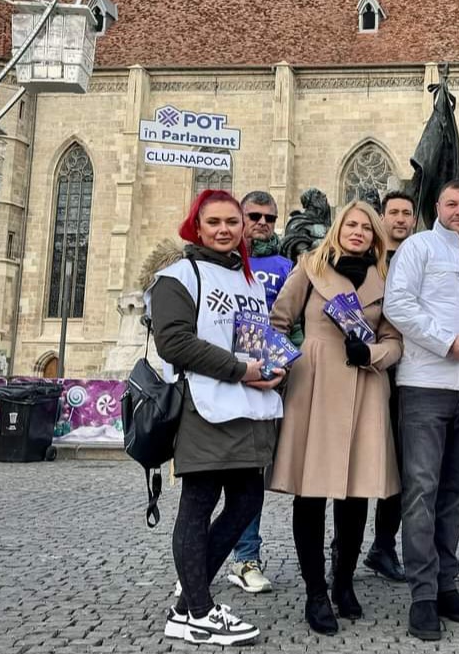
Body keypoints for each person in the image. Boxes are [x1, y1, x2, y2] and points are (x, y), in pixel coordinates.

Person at [146, 189, 284, 646]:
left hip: (248, 405)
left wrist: (272, 367)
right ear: (197, 227)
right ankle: (199, 611)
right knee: (199, 502)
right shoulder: (177, 276)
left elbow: (252, 337)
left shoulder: (247, 277)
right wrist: (241, 369)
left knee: (246, 501)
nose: (224, 229)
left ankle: (189, 604)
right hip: (204, 405)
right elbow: (175, 343)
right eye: (214, 223)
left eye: (232, 222)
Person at [268, 201, 402, 635]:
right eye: (352, 224)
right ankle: (314, 591)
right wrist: (289, 363)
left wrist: (375, 354)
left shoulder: (386, 278)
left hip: (365, 386)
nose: (359, 232)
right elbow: (278, 321)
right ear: (338, 229)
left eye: (367, 227)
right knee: (310, 495)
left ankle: (343, 581)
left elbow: (395, 338)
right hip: (315, 389)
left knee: (355, 494)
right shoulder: (309, 267)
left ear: (375, 235)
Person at [383, 179, 459, 641]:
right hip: (425, 384)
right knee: (421, 491)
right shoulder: (418, 247)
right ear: (438, 206)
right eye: (452, 203)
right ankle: (423, 595)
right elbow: (399, 306)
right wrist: (447, 342)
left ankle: (446, 583)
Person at [226, 190, 294, 596]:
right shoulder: (219, 264)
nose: (263, 223)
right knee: (207, 478)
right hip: (218, 377)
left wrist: (286, 363)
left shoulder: (286, 266)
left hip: (267, 380)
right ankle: (197, 560)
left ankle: (246, 557)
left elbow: (294, 320)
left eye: (270, 217)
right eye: (254, 215)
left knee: (250, 476)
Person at [361, 190, 417, 582]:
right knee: (358, 462)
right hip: (368, 372)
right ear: (382, 218)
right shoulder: (367, 263)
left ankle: (383, 545)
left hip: (410, 375)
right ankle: (342, 548)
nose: (399, 219)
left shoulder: (417, 258)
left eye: (406, 213)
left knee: (398, 466)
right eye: (393, 212)